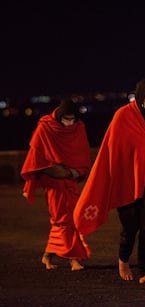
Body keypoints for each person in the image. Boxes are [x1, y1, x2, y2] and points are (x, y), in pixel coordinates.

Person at [74, 78, 145, 285]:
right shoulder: (123, 115)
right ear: (139, 96)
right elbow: (114, 149)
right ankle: (123, 260)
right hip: (126, 180)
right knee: (130, 227)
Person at [20, 99, 91, 271]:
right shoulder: (46, 127)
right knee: (64, 218)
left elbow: (82, 153)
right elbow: (36, 157)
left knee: (65, 219)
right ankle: (73, 258)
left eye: (72, 119)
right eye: (66, 119)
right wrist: (57, 171)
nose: (69, 123)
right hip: (52, 179)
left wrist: (72, 172)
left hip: (70, 178)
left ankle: (48, 255)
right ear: (60, 116)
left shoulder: (78, 127)